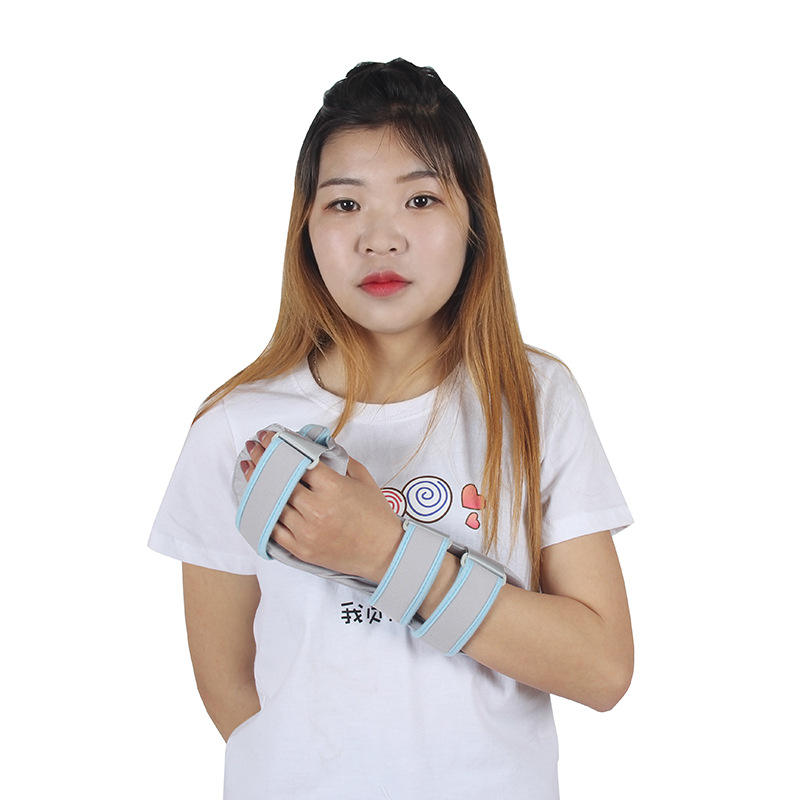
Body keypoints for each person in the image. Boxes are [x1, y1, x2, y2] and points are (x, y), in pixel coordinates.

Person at [148, 57, 635, 800]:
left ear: (473, 220)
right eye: (345, 204)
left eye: (421, 199)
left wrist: (383, 551)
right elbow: (232, 691)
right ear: (305, 228)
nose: (380, 238)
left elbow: (600, 669)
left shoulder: (535, 399)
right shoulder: (236, 426)